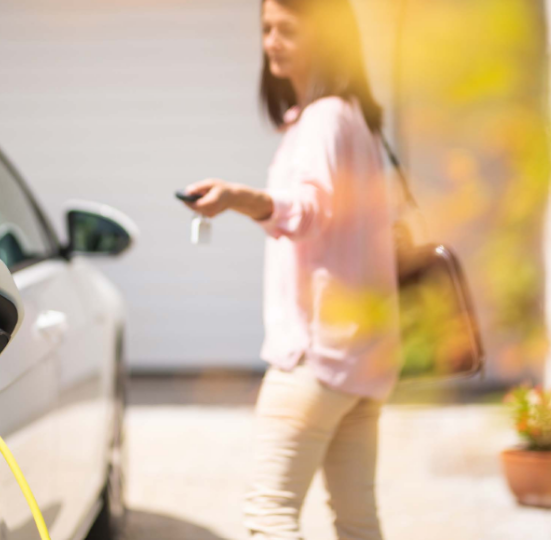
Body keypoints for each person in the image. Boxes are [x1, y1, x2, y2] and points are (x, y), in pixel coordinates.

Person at [179, 0, 400, 538]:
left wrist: (237, 197)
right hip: (362, 358)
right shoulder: (352, 116)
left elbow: (310, 211)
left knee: (269, 516)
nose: (271, 41)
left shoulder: (326, 118)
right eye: (265, 29)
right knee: (356, 520)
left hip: (315, 359)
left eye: (287, 30)